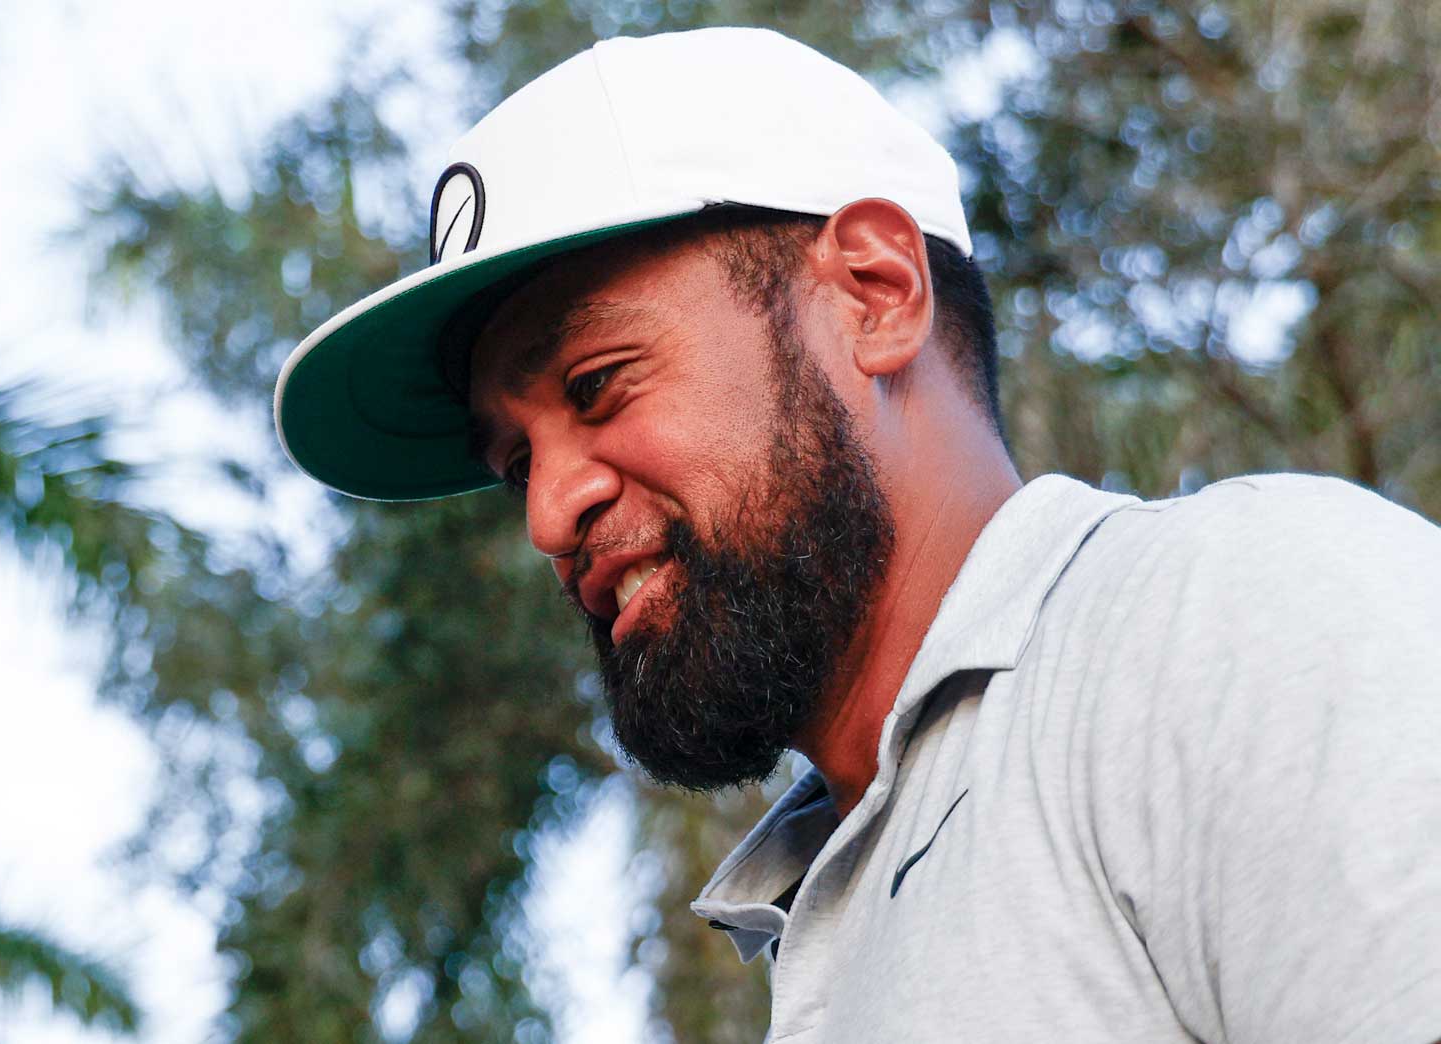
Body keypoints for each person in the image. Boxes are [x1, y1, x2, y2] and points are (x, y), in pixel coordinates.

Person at [273, 26, 1441, 1044]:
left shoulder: (1229, 619)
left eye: (596, 384)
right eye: (515, 459)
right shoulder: (831, 904)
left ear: (874, 295)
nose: (546, 513)